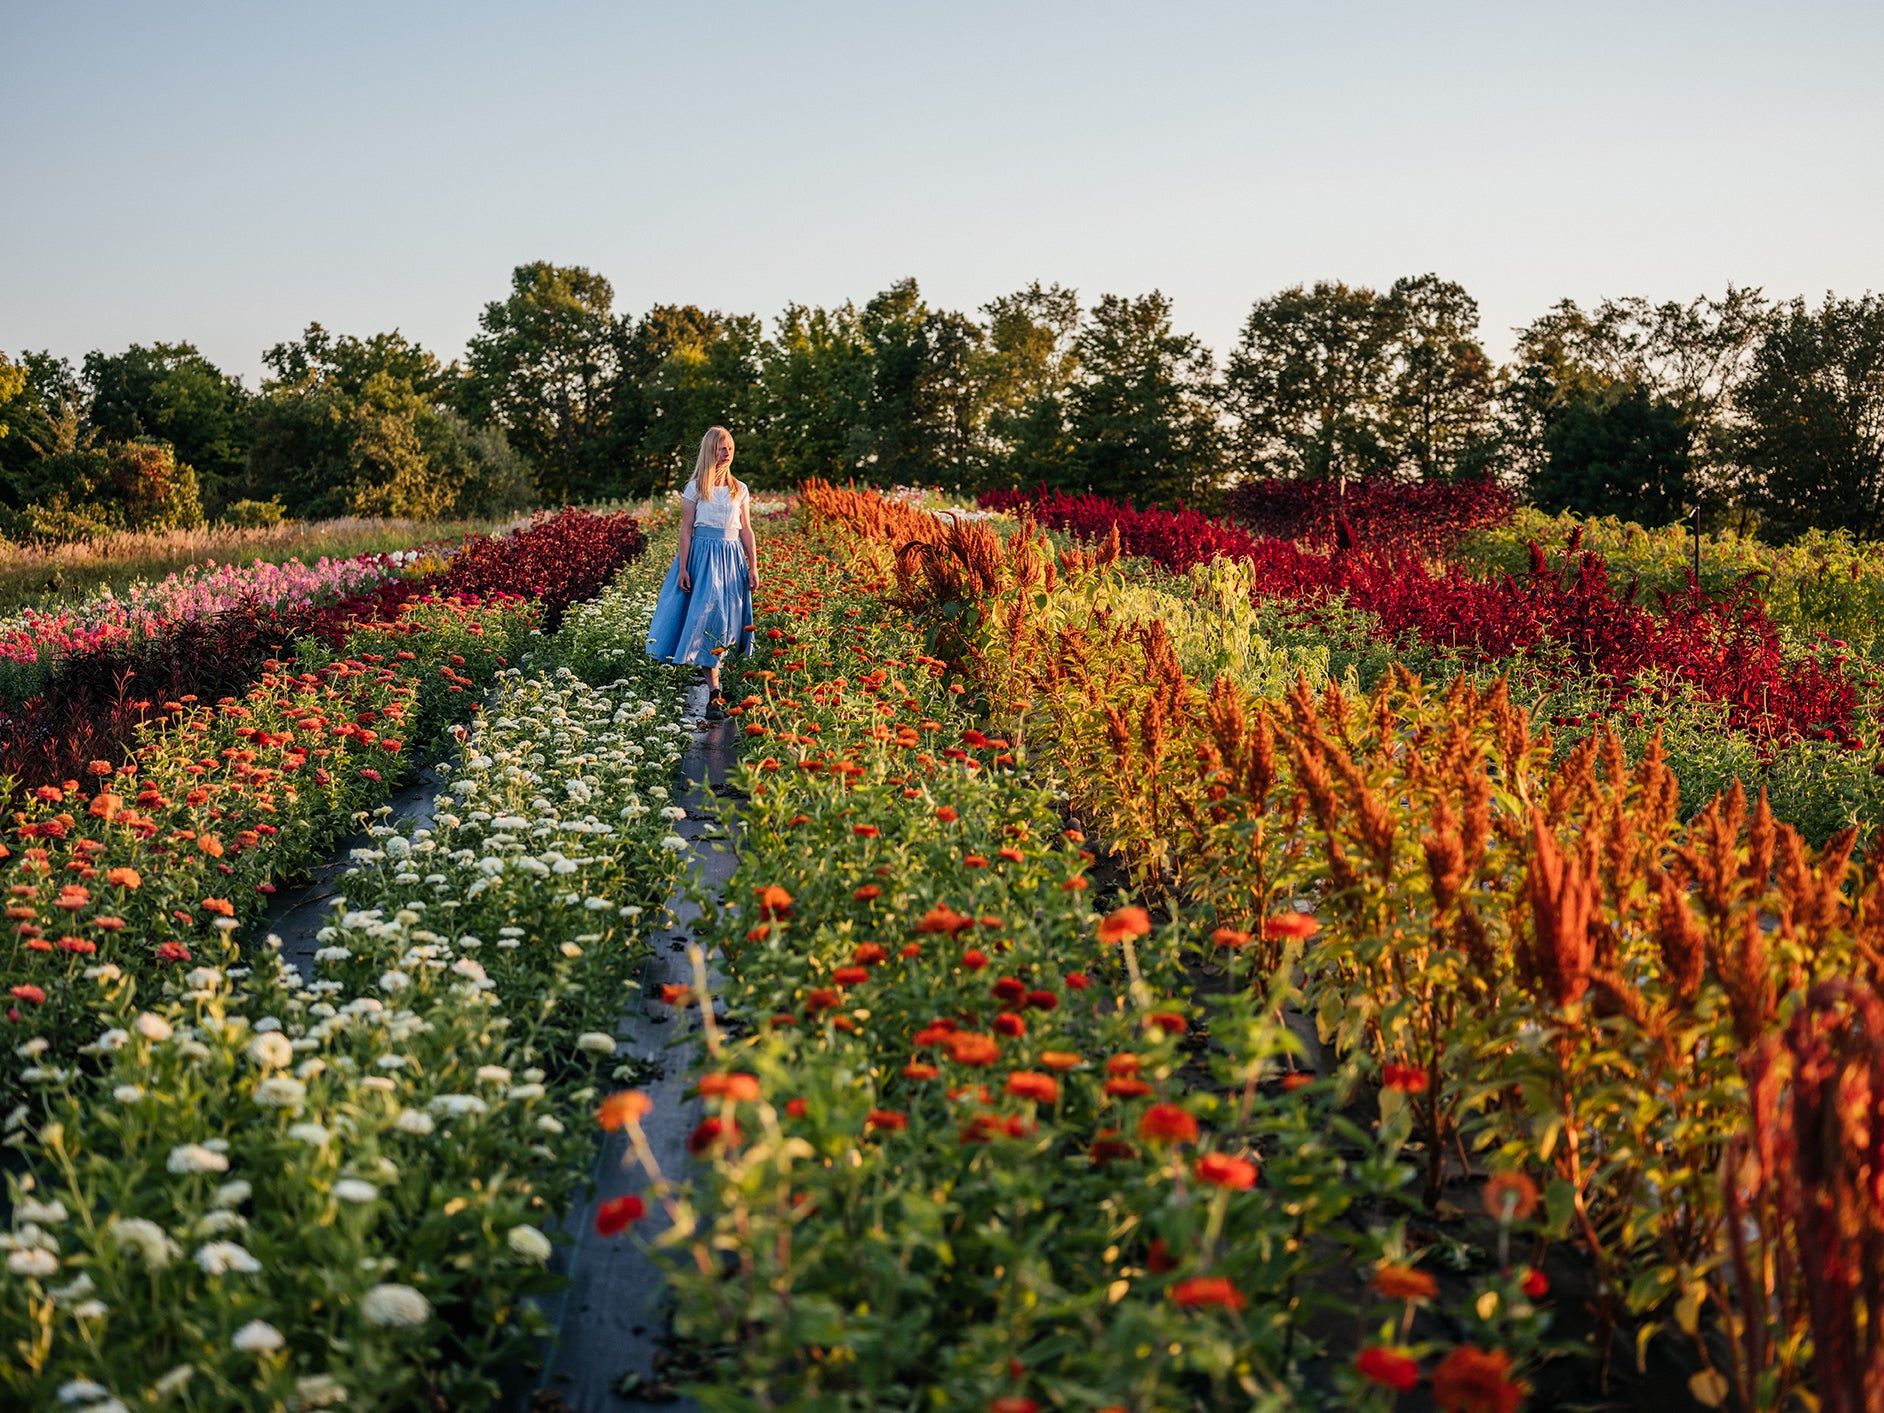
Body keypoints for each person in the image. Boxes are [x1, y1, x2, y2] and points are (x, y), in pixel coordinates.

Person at [645, 426, 758, 719]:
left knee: (731, 621)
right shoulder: (695, 488)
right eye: (722, 448)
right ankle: (713, 693)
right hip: (703, 558)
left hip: (732, 559)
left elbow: (746, 530)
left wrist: (753, 565)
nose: (727, 453)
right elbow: (685, 529)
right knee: (710, 619)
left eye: (730, 448)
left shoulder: (740, 489)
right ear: (710, 451)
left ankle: (727, 684)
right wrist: (683, 567)